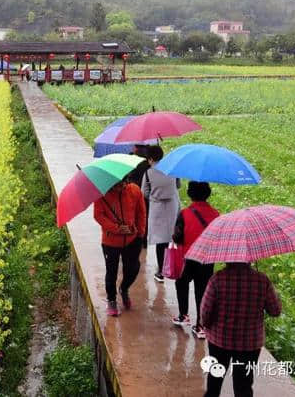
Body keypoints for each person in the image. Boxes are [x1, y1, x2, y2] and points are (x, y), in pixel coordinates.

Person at [201, 262, 282, 397]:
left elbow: (206, 312)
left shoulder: (217, 279)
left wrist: (207, 326)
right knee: (243, 386)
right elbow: (275, 311)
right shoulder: (262, 280)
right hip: (249, 344)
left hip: (219, 340)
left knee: (214, 381)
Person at [171, 182, 219, 339]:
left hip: (187, 257)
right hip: (207, 259)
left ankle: (183, 314)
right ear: (208, 194)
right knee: (202, 291)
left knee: (181, 283)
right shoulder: (216, 214)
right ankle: (200, 326)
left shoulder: (185, 213)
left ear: (190, 194)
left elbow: (177, 237)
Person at [94, 178, 146, 317]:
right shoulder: (101, 194)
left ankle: (124, 288)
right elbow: (98, 216)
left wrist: (140, 232)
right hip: (110, 241)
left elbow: (141, 212)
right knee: (111, 271)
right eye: (116, 185)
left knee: (133, 268)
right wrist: (116, 228)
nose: (120, 187)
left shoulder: (134, 190)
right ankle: (111, 299)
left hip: (132, 239)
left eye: (123, 184)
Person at [142, 145, 180, 283]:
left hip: (157, 208)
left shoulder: (148, 173)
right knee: (170, 238)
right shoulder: (172, 170)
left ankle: (161, 271)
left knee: (160, 240)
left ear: (151, 159)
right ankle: (174, 265)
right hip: (171, 206)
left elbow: (144, 193)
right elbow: (178, 186)